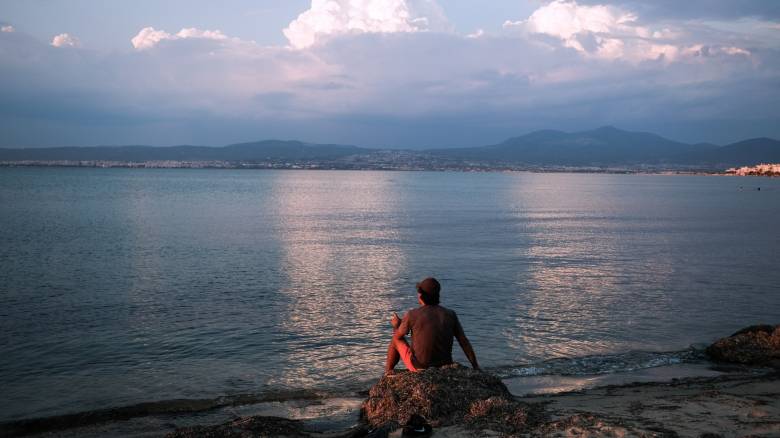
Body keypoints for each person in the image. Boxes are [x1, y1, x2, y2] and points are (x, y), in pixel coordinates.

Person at [385, 277, 480, 374]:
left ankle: (387, 373)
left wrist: (396, 325)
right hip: (445, 366)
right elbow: (463, 341)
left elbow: (398, 336)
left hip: (419, 367)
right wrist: (475, 366)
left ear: (421, 295)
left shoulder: (412, 314)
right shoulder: (450, 314)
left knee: (395, 339)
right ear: (438, 295)